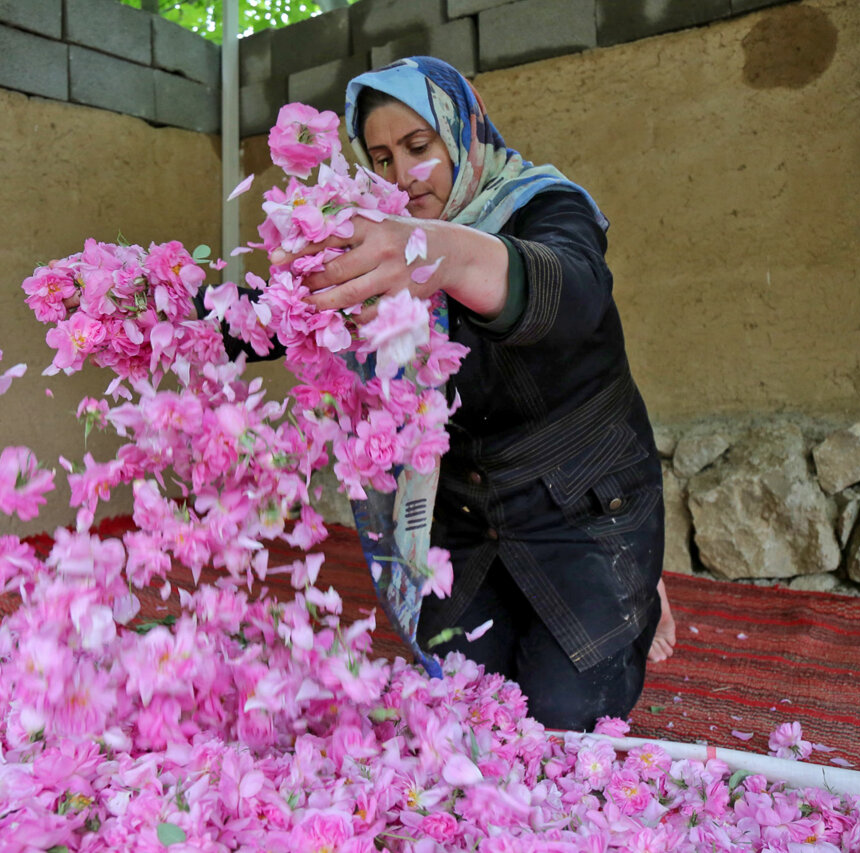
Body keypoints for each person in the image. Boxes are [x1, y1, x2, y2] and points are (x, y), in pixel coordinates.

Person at [272, 57, 671, 730]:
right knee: (462, 708)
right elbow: (289, 311)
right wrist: (157, 306)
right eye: (382, 156)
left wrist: (442, 254)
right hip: (463, 519)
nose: (404, 174)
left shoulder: (544, 204)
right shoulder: (377, 243)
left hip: (582, 509)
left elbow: (574, 293)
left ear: (463, 130)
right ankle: (621, 596)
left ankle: (639, 584)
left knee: (560, 716)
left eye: (420, 147)